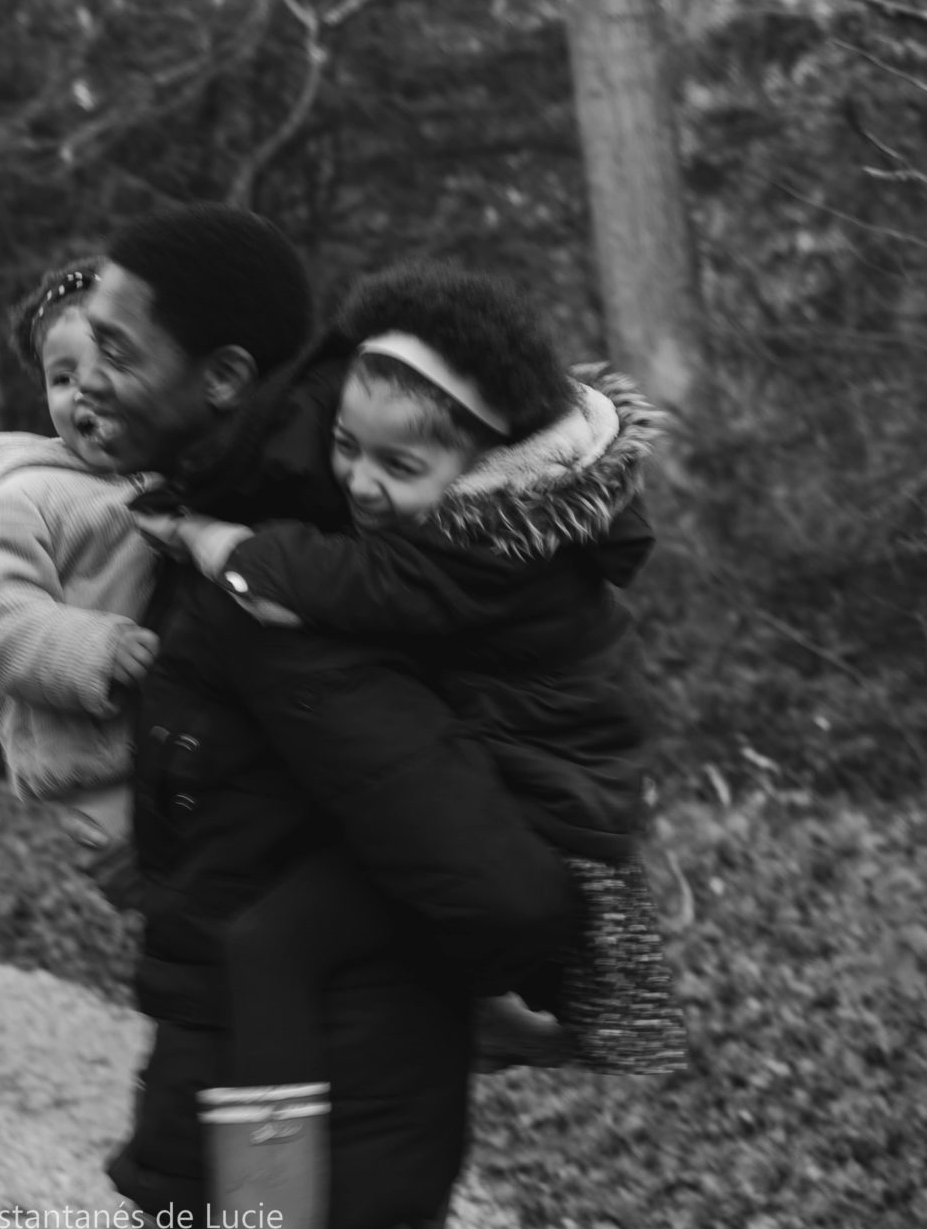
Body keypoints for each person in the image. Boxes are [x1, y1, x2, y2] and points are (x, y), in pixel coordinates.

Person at [75, 205, 626, 1229]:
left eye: (116, 349)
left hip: (318, 1140)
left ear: (226, 378)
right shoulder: (262, 513)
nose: (84, 376)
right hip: (286, 1096)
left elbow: (494, 883)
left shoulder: (289, 578)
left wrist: (503, 977)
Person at [133, 262, 683, 1149]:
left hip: (545, 819)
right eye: (346, 445)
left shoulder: (480, 546)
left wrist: (203, 535)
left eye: (401, 465)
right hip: (549, 791)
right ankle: (491, 1012)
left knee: (270, 943)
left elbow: (308, 586)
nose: (358, 482)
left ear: (485, 463)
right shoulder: (512, 512)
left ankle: (262, 1212)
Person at [0, 258, 160, 903]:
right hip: (97, 768)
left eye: (109, 366)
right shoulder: (30, 494)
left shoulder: (170, 476)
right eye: (61, 377)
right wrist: (92, 648)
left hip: (176, 747)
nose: (84, 392)